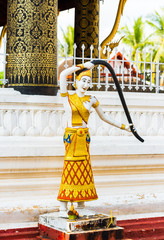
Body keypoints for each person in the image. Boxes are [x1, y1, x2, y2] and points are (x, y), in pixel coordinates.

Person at [57, 61, 130, 216]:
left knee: (84, 170)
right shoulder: (67, 98)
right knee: (69, 169)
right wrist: (85, 66)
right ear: (76, 82)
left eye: (89, 82)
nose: (86, 84)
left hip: (84, 139)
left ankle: (80, 204)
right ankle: (63, 206)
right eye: (83, 80)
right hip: (72, 138)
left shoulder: (92, 99)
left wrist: (124, 127)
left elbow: (104, 117)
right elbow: (63, 75)